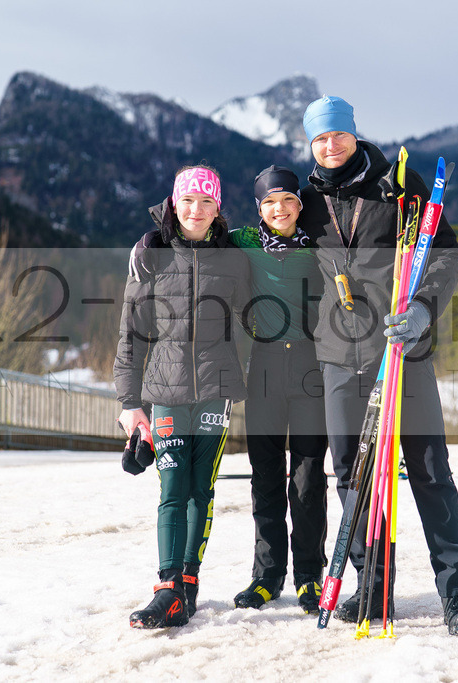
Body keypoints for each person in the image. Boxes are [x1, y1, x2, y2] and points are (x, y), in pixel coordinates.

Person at [296, 95, 458, 636]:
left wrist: (423, 308)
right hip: (339, 358)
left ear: (354, 134)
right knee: (352, 476)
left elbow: (445, 253)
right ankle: (373, 587)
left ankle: (457, 595)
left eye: (338, 134)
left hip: (403, 352)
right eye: (320, 138)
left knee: (429, 472)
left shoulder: (398, 187)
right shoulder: (307, 202)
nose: (331, 146)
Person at [114, 166, 251, 629]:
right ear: (174, 203)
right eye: (188, 200)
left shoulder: (233, 257)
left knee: (200, 488)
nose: (196, 209)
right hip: (165, 390)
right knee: (172, 488)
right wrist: (129, 403)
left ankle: (187, 586)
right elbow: (131, 333)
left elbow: (261, 314)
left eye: (207, 201)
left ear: (218, 208)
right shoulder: (151, 253)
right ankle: (168, 587)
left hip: (217, 389)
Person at [228, 166, 328, 613]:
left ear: (300, 204)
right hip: (265, 367)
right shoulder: (244, 242)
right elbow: (199, 237)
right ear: (259, 208)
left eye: (288, 199)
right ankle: (267, 575)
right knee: (265, 476)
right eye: (269, 202)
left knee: (307, 480)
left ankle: (309, 576)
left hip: (311, 368)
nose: (279, 209)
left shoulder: (321, 246)